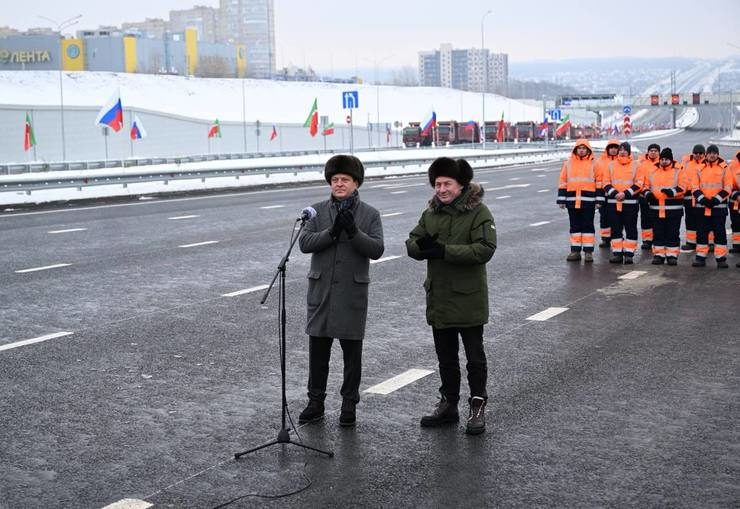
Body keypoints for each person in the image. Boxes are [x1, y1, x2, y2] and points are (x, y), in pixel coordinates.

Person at [406, 157, 496, 435]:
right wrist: (421, 247)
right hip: (440, 297)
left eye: (447, 184)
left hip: (468, 297)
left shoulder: (479, 212)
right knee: (445, 358)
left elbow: (485, 249)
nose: (441, 189)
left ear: (461, 185)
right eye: (437, 184)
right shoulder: (431, 213)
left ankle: (477, 406)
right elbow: (412, 241)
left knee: (474, 358)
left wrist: (445, 251)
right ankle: (448, 405)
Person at [298, 154, 385, 427]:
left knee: (351, 356)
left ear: (356, 182)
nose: (339, 184)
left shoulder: (369, 214)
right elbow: (305, 242)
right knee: (318, 353)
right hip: (321, 292)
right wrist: (332, 232)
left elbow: (377, 249)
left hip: (351, 294)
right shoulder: (316, 211)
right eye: (334, 180)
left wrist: (353, 232)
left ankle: (349, 404)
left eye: (344, 179)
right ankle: (316, 401)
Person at [557, 139, 603, 262]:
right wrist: (561, 200)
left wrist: (599, 200)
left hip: (588, 201)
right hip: (572, 201)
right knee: (575, 226)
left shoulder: (595, 163)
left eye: (584, 148)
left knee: (588, 226)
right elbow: (563, 182)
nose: (581, 150)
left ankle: (588, 252)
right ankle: (575, 251)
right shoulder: (568, 164)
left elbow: (599, 183)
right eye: (579, 148)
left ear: (588, 150)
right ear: (575, 149)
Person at [642, 147, 688, 265]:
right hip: (656, 209)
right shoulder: (652, 171)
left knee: (672, 233)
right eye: (662, 159)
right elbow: (645, 186)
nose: (664, 161)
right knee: (658, 232)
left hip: (673, 210)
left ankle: (672, 255)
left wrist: (671, 192)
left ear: (671, 160)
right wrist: (648, 194)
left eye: (666, 159)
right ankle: (659, 255)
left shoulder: (679, 171)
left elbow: (683, 187)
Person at [690, 144, 732, 268]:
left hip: (718, 208)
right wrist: (702, 199)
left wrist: (716, 200)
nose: (712, 155)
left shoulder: (724, 168)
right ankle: (701, 257)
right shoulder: (699, 168)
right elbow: (694, 187)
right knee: (702, 233)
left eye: (714, 153)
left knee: (719, 233)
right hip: (702, 207)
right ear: (706, 154)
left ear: (717, 154)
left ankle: (721, 258)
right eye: (710, 153)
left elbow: (728, 187)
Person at [602, 142, 642, 264]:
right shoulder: (610, 165)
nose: (622, 152)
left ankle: (629, 253)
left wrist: (625, 193)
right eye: (621, 149)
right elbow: (605, 182)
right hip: (613, 203)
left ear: (629, 152)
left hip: (630, 203)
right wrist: (615, 193)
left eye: (625, 150)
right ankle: (617, 253)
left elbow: (639, 183)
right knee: (615, 229)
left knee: (630, 228)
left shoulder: (636, 165)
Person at [680, 144, 706, 251]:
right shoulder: (686, 163)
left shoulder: (707, 163)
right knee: (690, 220)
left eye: (700, 153)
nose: (698, 155)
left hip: (702, 197)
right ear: (692, 153)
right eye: (696, 153)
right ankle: (691, 242)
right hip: (688, 197)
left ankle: (705, 242)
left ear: (704, 154)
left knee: (703, 221)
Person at [596, 139, 620, 247]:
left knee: (617, 218)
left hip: (617, 195)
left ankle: (617, 237)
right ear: (607, 149)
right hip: (603, 194)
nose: (614, 150)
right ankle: (606, 238)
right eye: (611, 148)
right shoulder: (600, 161)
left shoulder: (622, 161)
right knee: (604, 217)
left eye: (616, 148)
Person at [637, 143, 661, 250]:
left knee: (656, 219)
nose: (653, 152)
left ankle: (656, 238)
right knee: (645, 218)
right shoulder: (641, 163)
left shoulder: (663, 163)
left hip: (657, 197)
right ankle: (647, 240)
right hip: (644, 195)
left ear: (659, 152)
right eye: (651, 150)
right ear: (648, 152)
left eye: (655, 151)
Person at [728, 150, 740, 262]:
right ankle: (737, 245)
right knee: (736, 223)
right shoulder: (732, 165)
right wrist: (737, 195)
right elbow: (728, 184)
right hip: (734, 201)